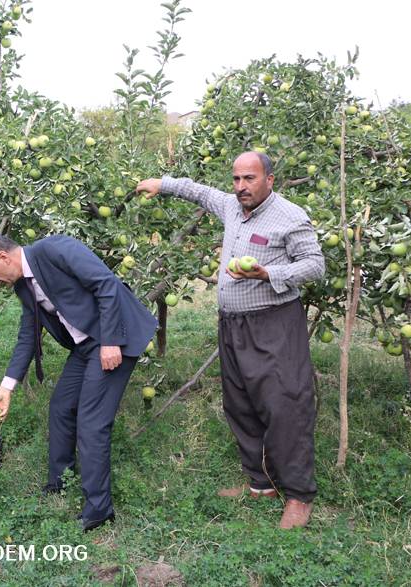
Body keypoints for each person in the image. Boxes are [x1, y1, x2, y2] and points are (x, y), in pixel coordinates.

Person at [136, 151, 325, 529]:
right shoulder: (231, 206)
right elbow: (199, 191)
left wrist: (266, 273)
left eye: (250, 179)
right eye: (237, 179)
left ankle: (299, 495)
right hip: (233, 324)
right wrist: (163, 184)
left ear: (269, 179)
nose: (241, 187)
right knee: (240, 403)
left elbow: (315, 265)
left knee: (283, 406)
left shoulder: (290, 217)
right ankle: (261, 483)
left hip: (273, 324)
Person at [0, 233, 157, 532]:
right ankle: (58, 482)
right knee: (61, 407)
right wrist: (6, 388)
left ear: (4, 258)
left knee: (92, 421)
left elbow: (106, 284)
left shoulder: (54, 249)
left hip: (115, 337)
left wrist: (110, 341)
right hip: (86, 345)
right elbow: (27, 336)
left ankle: (99, 509)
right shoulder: (23, 285)